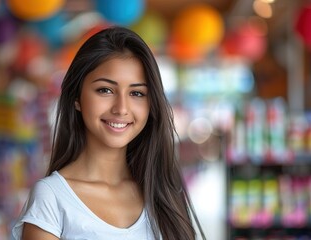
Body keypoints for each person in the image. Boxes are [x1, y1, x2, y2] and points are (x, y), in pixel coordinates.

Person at [12, 26, 205, 240]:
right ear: (77, 97)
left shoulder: (163, 193)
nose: (121, 108)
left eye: (137, 93)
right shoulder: (51, 197)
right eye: (105, 90)